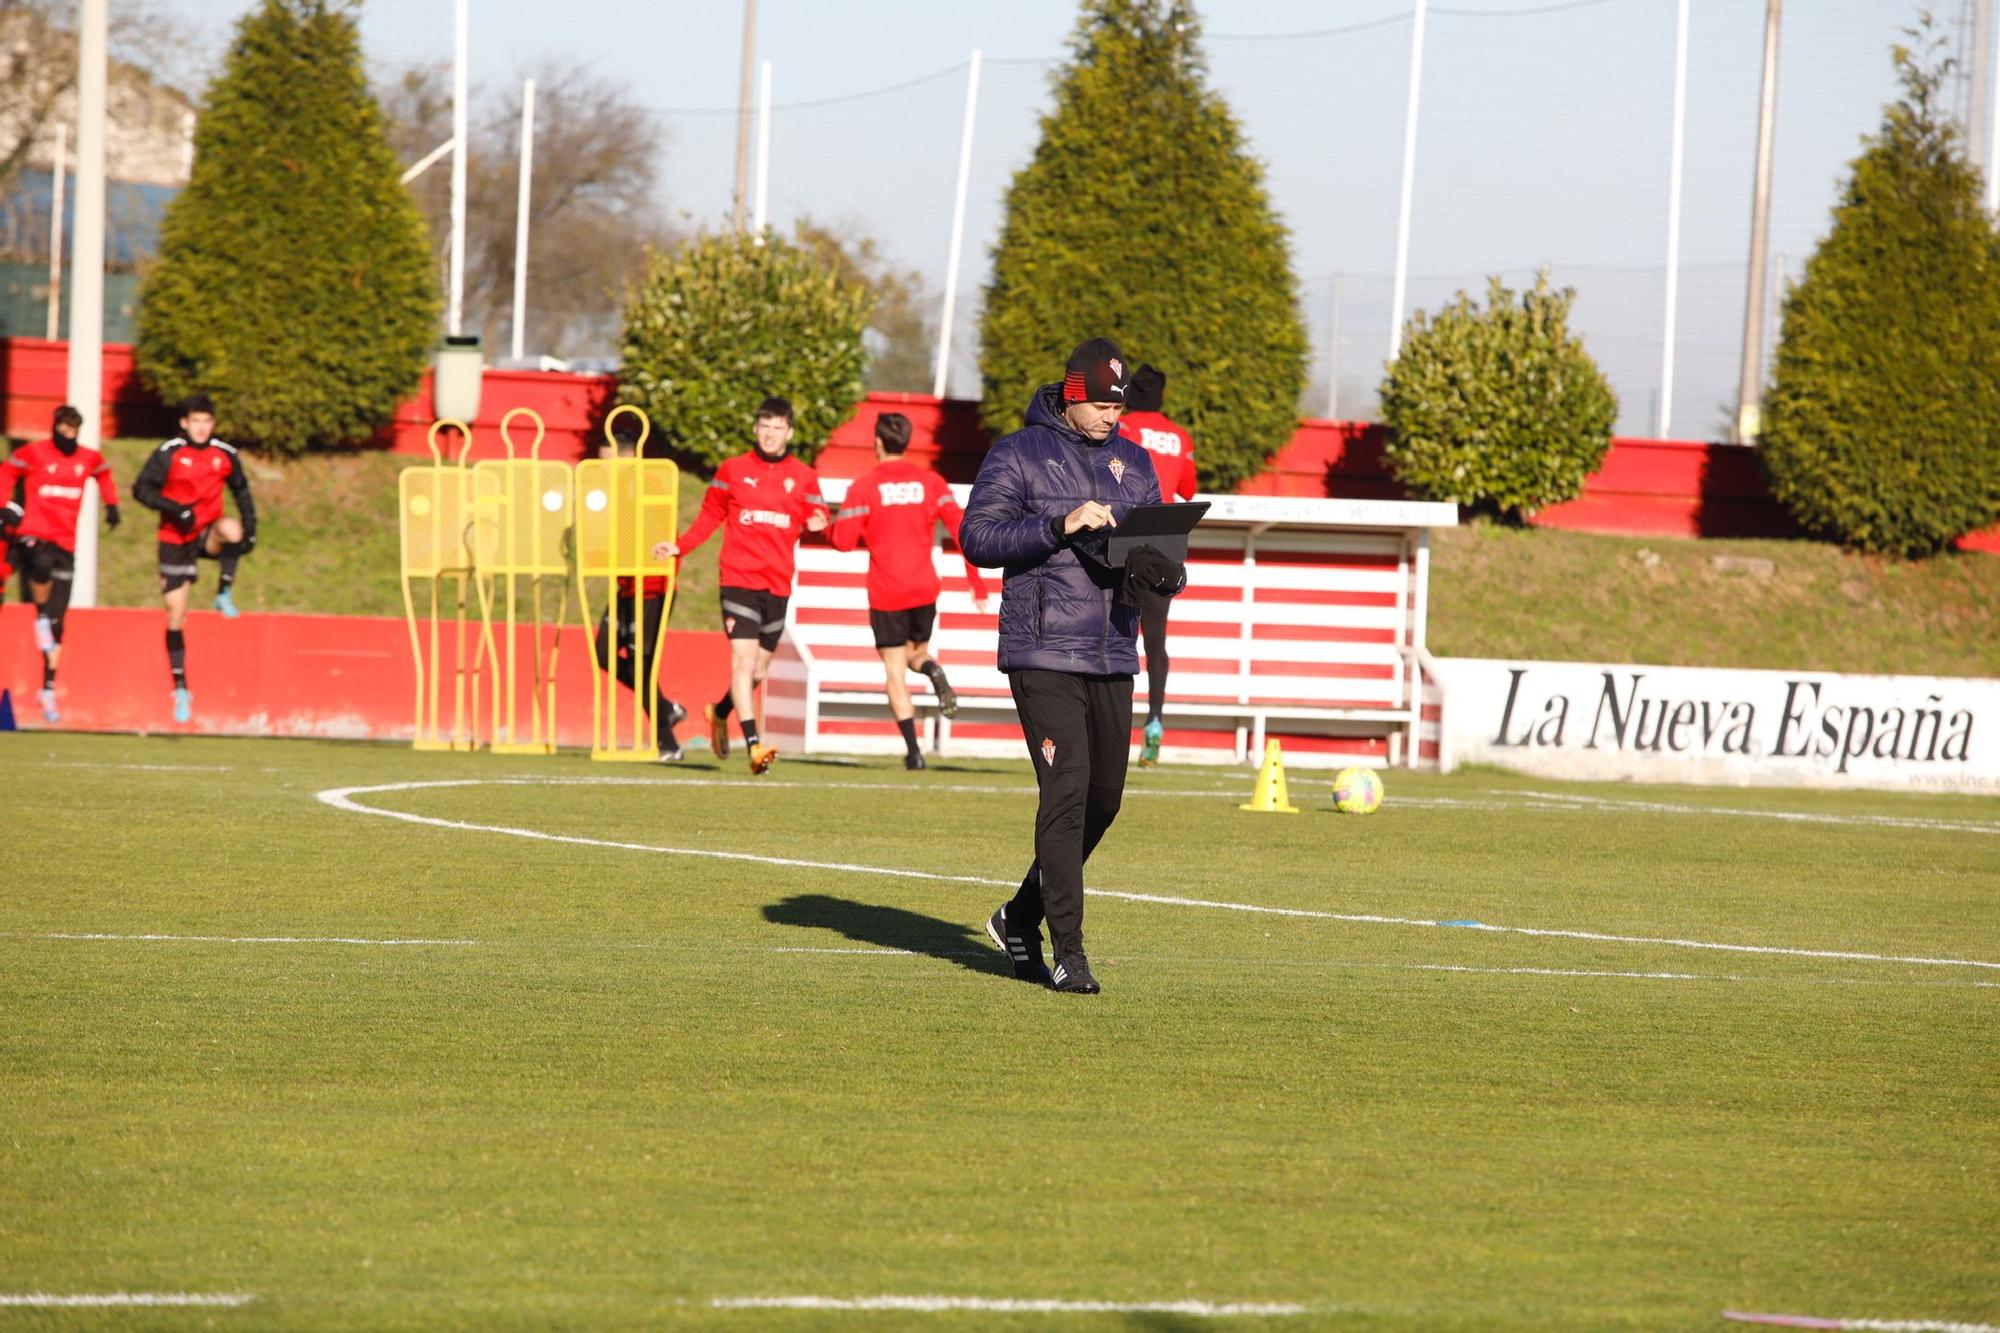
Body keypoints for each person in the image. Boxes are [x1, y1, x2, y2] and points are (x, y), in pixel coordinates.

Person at [959, 338, 1187, 994]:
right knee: (1067, 789)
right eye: (1103, 404)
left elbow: (1153, 552)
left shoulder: (1137, 460)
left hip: (1114, 648)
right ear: (1071, 393)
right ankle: (1070, 952)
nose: (1114, 415)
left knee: (1105, 799)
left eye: (1120, 405)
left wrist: (1164, 568)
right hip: (1042, 650)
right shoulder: (1017, 452)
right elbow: (978, 538)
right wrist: (1059, 524)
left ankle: (1017, 916)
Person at [652, 395, 827, 775]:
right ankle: (753, 745)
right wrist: (679, 546)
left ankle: (720, 711)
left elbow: (819, 512)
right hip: (738, 580)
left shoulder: (804, 476)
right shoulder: (733, 470)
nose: (769, 434)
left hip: (778, 584)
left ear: (789, 432)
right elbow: (709, 516)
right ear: (755, 428)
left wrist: (818, 521)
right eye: (764, 426)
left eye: (777, 427)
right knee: (743, 663)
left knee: (759, 671)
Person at [827, 411, 993, 771]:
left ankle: (913, 752)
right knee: (917, 653)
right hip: (924, 589)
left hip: (887, 590)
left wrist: (827, 525)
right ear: (906, 443)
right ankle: (932, 669)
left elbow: (841, 542)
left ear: (877, 442)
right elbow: (963, 531)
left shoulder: (865, 487)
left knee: (893, 670)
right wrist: (976, 582)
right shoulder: (932, 483)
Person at [132, 393, 257, 723]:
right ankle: (182, 688)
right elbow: (141, 489)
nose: (201, 427)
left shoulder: (224, 454)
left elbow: (241, 491)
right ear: (184, 423)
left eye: (207, 421)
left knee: (232, 529)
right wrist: (175, 509)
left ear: (212, 423)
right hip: (174, 537)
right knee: (176, 614)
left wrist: (252, 529)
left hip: (207, 532)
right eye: (195, 421)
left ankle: (224, 592)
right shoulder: (169, 453)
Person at [1, 405, 122, 722]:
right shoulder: (35, 452)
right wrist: (6, 504)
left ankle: (48, 688)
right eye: (63, 430)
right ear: (54, 427)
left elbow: (104, 474)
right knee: (39, 563)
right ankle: (39, 615)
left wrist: (112, 504)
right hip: (34, 534)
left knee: (59, 621)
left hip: (66, 541)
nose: (67, 437)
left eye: (73, 432)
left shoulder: (88, 458)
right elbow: (7, 471)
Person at [1116, 364, 1198, 765]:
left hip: (1126, 538)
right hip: (1165, 543)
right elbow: (1189, 488)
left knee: (1115, 634)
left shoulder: (1124, 427)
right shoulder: (1180, 436)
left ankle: (1111, 722)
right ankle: (1155, 721)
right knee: (1156, 641)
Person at [593, 416, 686, 760]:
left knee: (642, 662)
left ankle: (667, 742)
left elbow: (651, 534)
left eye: (609, 465)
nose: (604, 472)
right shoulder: (611, 490)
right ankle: (666, 709)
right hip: (626, 584)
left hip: (654, 584)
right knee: (604, 653)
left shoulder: (648, 484)